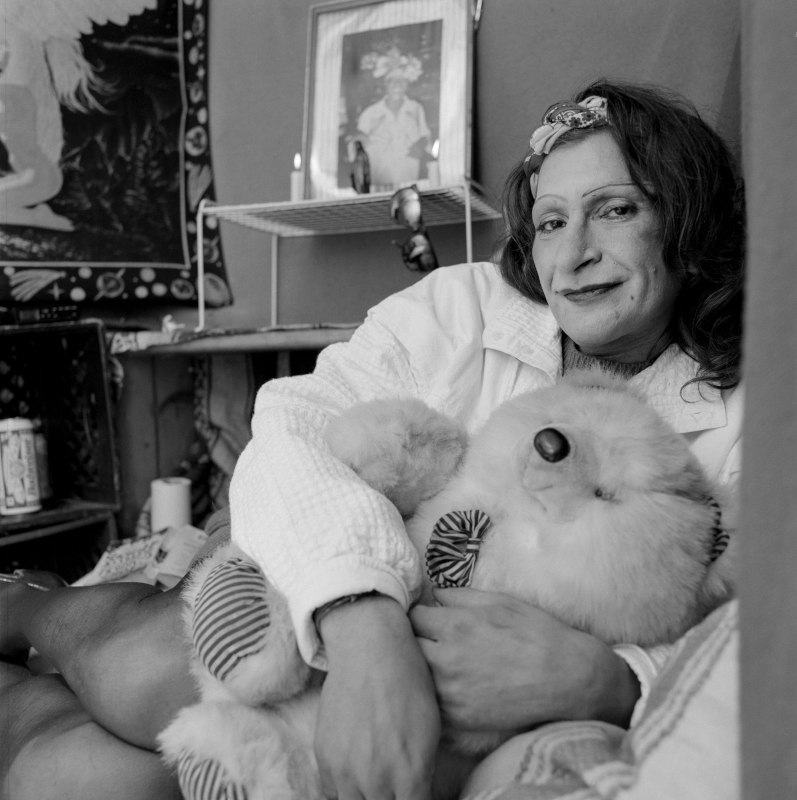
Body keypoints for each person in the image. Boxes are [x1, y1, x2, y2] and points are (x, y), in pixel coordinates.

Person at [0, 78, 744, 800]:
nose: (571, 253)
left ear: (682, 221)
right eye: (550, 221)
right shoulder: (461, 307)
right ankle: (30, 606)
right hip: (347, 613)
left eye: (613, 210)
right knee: (153, 666)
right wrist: (361, 627)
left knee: (96, 780)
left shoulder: (756, 406)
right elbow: (292, 428)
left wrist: (615, 682)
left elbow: (759, 628)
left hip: (504, 717)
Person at [355, 46, 432, 188]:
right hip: (379, 175)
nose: (397, 85)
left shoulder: (415, 108)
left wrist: (420, 147)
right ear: (385, 85)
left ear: (407, 85)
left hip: (408, 172)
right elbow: (358, 142)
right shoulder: (371, 112)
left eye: (402, 81)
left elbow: (425, 136)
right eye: (392, 81)